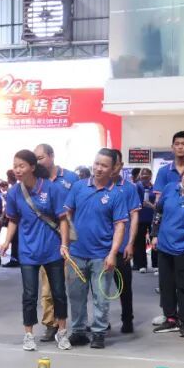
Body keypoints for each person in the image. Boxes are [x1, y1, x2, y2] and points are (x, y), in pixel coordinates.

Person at [0, 150, 72, 351]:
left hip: (52, 250)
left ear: (32, 167)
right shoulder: (14, 192)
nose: (17, 170)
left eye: (21, 166)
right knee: (29, 295)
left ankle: (62, 332)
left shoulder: (51, 188)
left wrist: (64, 244)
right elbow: (13, 220)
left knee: (59, 293)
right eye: (15, 166)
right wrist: (6, 241)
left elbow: (62, 220)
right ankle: (29, 335)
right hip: (28, 252)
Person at [61, 149, 128, 349]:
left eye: (104, 165)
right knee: (76, 295)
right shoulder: (79, 187)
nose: (98, 168)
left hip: (102, 256)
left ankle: (99, 332)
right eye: (97, 163)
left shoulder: (116, 194)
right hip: (76, 254)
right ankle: (79, 331)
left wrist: (113, 254)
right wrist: (65, 243)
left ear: (113, 169)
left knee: (101, 297)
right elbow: (66, 216)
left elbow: (120, 226)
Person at [33, 144, 78, 341]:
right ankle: (50, 324)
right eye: (35, 159)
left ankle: (80, 324)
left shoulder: (71, 178)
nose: (37, 162)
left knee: (75, 286)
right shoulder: (36, 181)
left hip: (72, 240)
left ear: (51, 156)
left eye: (40, 158)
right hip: (48, 241)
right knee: (47, 288)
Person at [152, 163, 184, 337]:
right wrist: (154, 234)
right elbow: (158, 212)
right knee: (166, 285)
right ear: (183, 175)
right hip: (164, 245)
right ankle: (170, 319)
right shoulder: (169, 188)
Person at [110, 150, 139, 334]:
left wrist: (130, 243)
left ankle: (127, 319)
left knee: (124, 286)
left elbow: (134, 216)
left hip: (122, 247)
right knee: (99, 287)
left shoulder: (129, 188)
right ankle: (101, 321)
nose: (111, 168)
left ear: (120, 166)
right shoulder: (96, 186)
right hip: (100, 247)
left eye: (114, 164)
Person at [153, 131, 184, 196]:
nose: (180, 147)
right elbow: (158, 197)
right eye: (177, 144)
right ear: (172, 147)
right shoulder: (163, 171)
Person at [134, 168, 157, 273]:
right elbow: (137, 202)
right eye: (142, 174)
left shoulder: (154, 187)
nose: (144, 176)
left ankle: (156, 264)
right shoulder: (137, 186)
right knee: (139, 242)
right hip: (140, 218)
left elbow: (157, 202)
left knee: (154, 240)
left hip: (153, 218)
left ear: (150, 176)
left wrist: (151, 205)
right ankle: (142, 265)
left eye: (147, 174)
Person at [4, 168, 21, 267]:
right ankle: (16, 259)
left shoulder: (13, 190)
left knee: (14, 240)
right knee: (16, 240)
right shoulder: (18, 188)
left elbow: (9, 206)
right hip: (18, 218)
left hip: (14, 218)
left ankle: (14, 260)